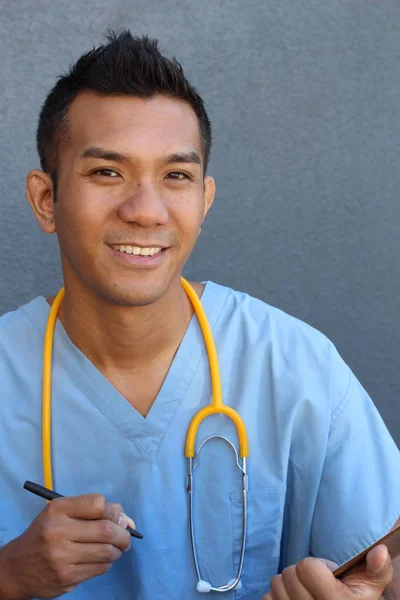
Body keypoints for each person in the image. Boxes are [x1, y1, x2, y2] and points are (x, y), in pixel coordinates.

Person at [0, 30, 398, 600]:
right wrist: (9, 575)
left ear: (204, 200)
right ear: (46, 199)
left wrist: (370, 593)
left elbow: (383, 563)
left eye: (176, 176)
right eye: (107, 172)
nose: (145, 210)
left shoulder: (294, 366)